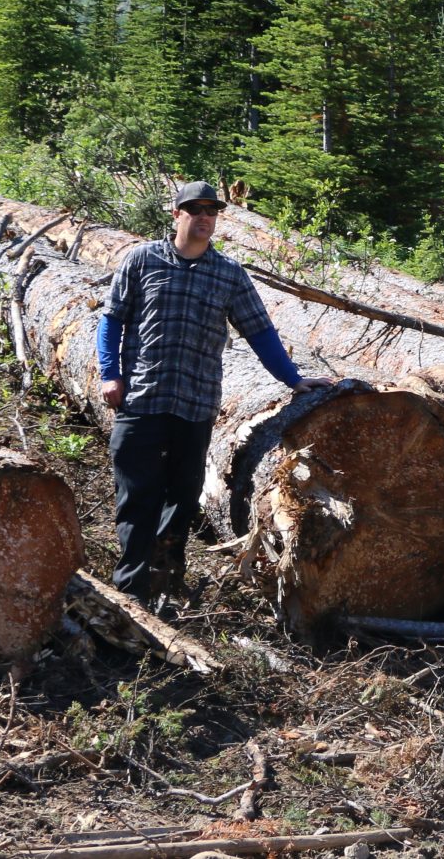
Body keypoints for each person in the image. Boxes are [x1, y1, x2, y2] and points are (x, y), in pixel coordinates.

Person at [96, 180, 331, 604]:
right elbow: (112, 319)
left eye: (212, 211)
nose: (205, 217)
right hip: (142, 400)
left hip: (196, 403)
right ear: (177, 214)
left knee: (182, 498)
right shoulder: (142, 260)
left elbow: (259, 330)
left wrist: (293, 380)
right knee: (136, 496)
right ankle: (130, 590)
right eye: (196, 209)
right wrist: (109, 374)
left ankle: (165, 580)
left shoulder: (229, 274)